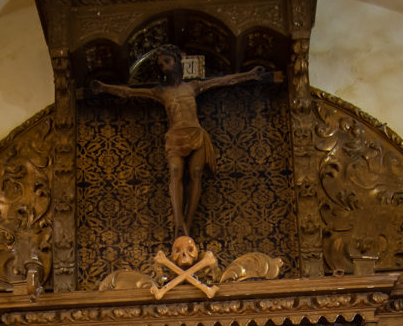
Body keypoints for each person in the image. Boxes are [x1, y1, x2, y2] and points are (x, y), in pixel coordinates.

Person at [90, 45, 276, 239]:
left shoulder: (192, 86)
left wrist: (251, 75)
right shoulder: (160, 91)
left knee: (196, 173)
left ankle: (187, 224)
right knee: (175, 173)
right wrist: (104, 87)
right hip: (174, 137)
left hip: (196, 134)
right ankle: (178, 223)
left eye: (167, 61)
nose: (164, 67)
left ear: (177, 62)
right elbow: (128, 92)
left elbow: (223, 80)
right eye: (161, 64)